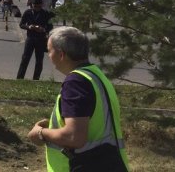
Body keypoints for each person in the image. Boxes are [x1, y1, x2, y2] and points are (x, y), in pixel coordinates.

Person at [27, 27, 130, 172]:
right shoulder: (96, 75)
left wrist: (40, 133)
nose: (48, 55)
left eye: (49, 51)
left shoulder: (75, 83)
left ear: (61, 54)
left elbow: (74, 137)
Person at [16, 0, 54, 80]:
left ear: (41, 5)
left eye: (39, 7)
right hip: (30, 37)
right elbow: (21, 24)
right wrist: (29, 27)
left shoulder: (45, 13)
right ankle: (20, 77)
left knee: (39, 60)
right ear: (32, 5)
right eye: (35, 6)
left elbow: (50, 26)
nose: (37, 8)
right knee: (25, 58)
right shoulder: (28, 12)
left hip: (41, 38)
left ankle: (36, 78)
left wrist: (43, 29)